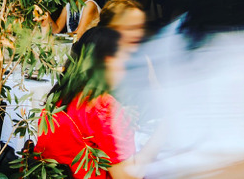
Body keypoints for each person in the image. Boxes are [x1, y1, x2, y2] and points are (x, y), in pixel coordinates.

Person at [35, 27, 166, 179]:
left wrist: (120, 123)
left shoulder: (61, 95)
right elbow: (128, 176)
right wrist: (164, 130)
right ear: (106, 62)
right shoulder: (104, 106)